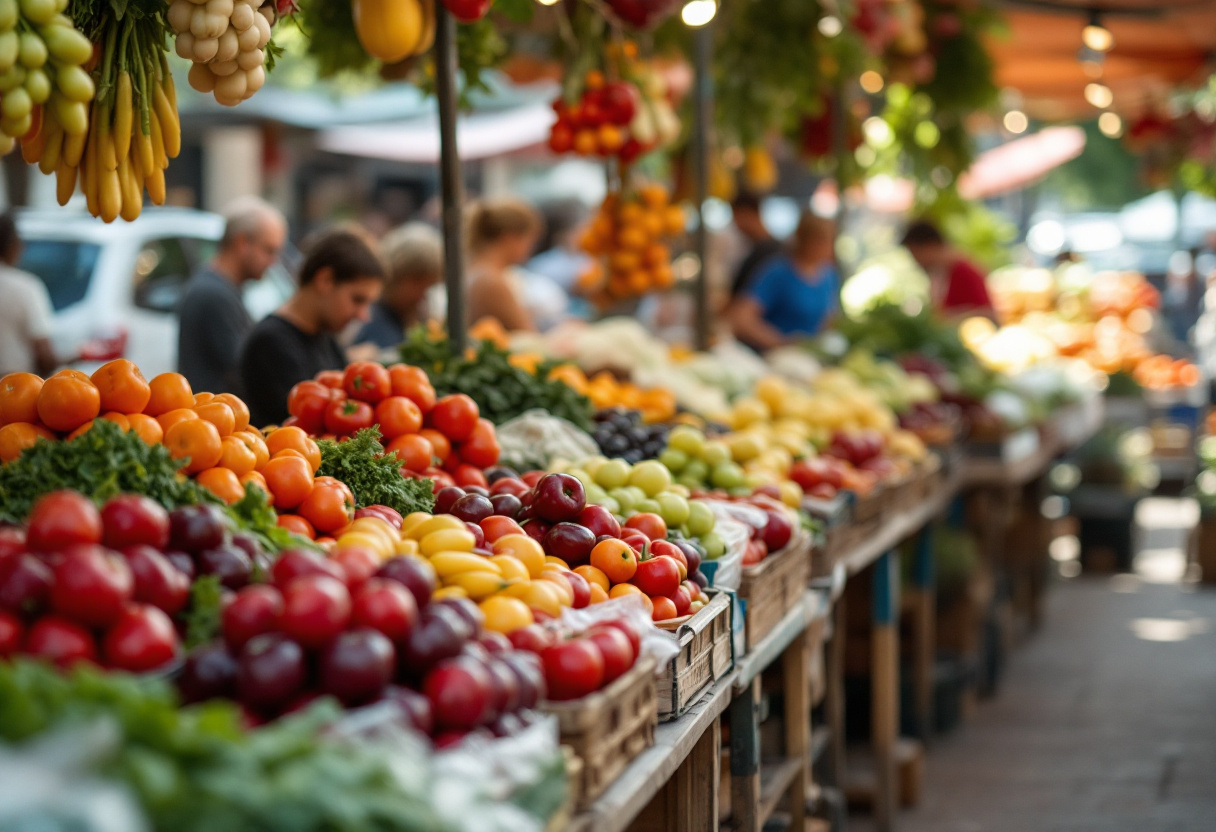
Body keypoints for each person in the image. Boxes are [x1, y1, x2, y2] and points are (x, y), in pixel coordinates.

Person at [239, 227, 386, 428]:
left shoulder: (324, 336)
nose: (363, 315)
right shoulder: (270, 342)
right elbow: (304, 427)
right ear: (325, 280)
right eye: (357, 299)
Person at [178, 197, 287, 394]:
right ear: (242, 243)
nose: (273, 261)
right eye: (269, 250)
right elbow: (246, 369)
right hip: (214, 419)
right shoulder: (214, 294)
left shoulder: (216, 286)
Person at [729, 212, 839, 351]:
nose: (826, 247)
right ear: (803, 239)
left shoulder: (829, 275)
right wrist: (780, 342)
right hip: (772, 355)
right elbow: (741, 318)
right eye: (820, 241)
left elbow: (827, 320)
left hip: (807, 354)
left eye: (829, 241)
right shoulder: (778, 272)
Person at [350, 223, 443, 350]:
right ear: (394, 275)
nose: (422, 294)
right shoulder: (370, 320)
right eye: (417, 281)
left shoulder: (418, 316)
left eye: (429, 284)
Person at [464, 198, 546, 332]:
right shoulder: (490, 281)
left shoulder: (476, 271)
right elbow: (528, 334)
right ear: (510, 238)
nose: (530, 249)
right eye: (530, 241)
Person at [0, 212, 63, 377]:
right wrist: (79, 356)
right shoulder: (25, 287)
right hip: (14, 391)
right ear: (14, 245)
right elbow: (45, 358)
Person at [901, 220, 995, 318]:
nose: (916, 260)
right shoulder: (939, 272)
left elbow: (988, 313)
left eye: (915, 253)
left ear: (929, 246)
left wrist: (948, 319)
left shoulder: (964, 271)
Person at [729, 192, 783, 298]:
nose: (735, 224)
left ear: (746, 213)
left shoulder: (770, 252)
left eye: (736, 217)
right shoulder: (764, 248)